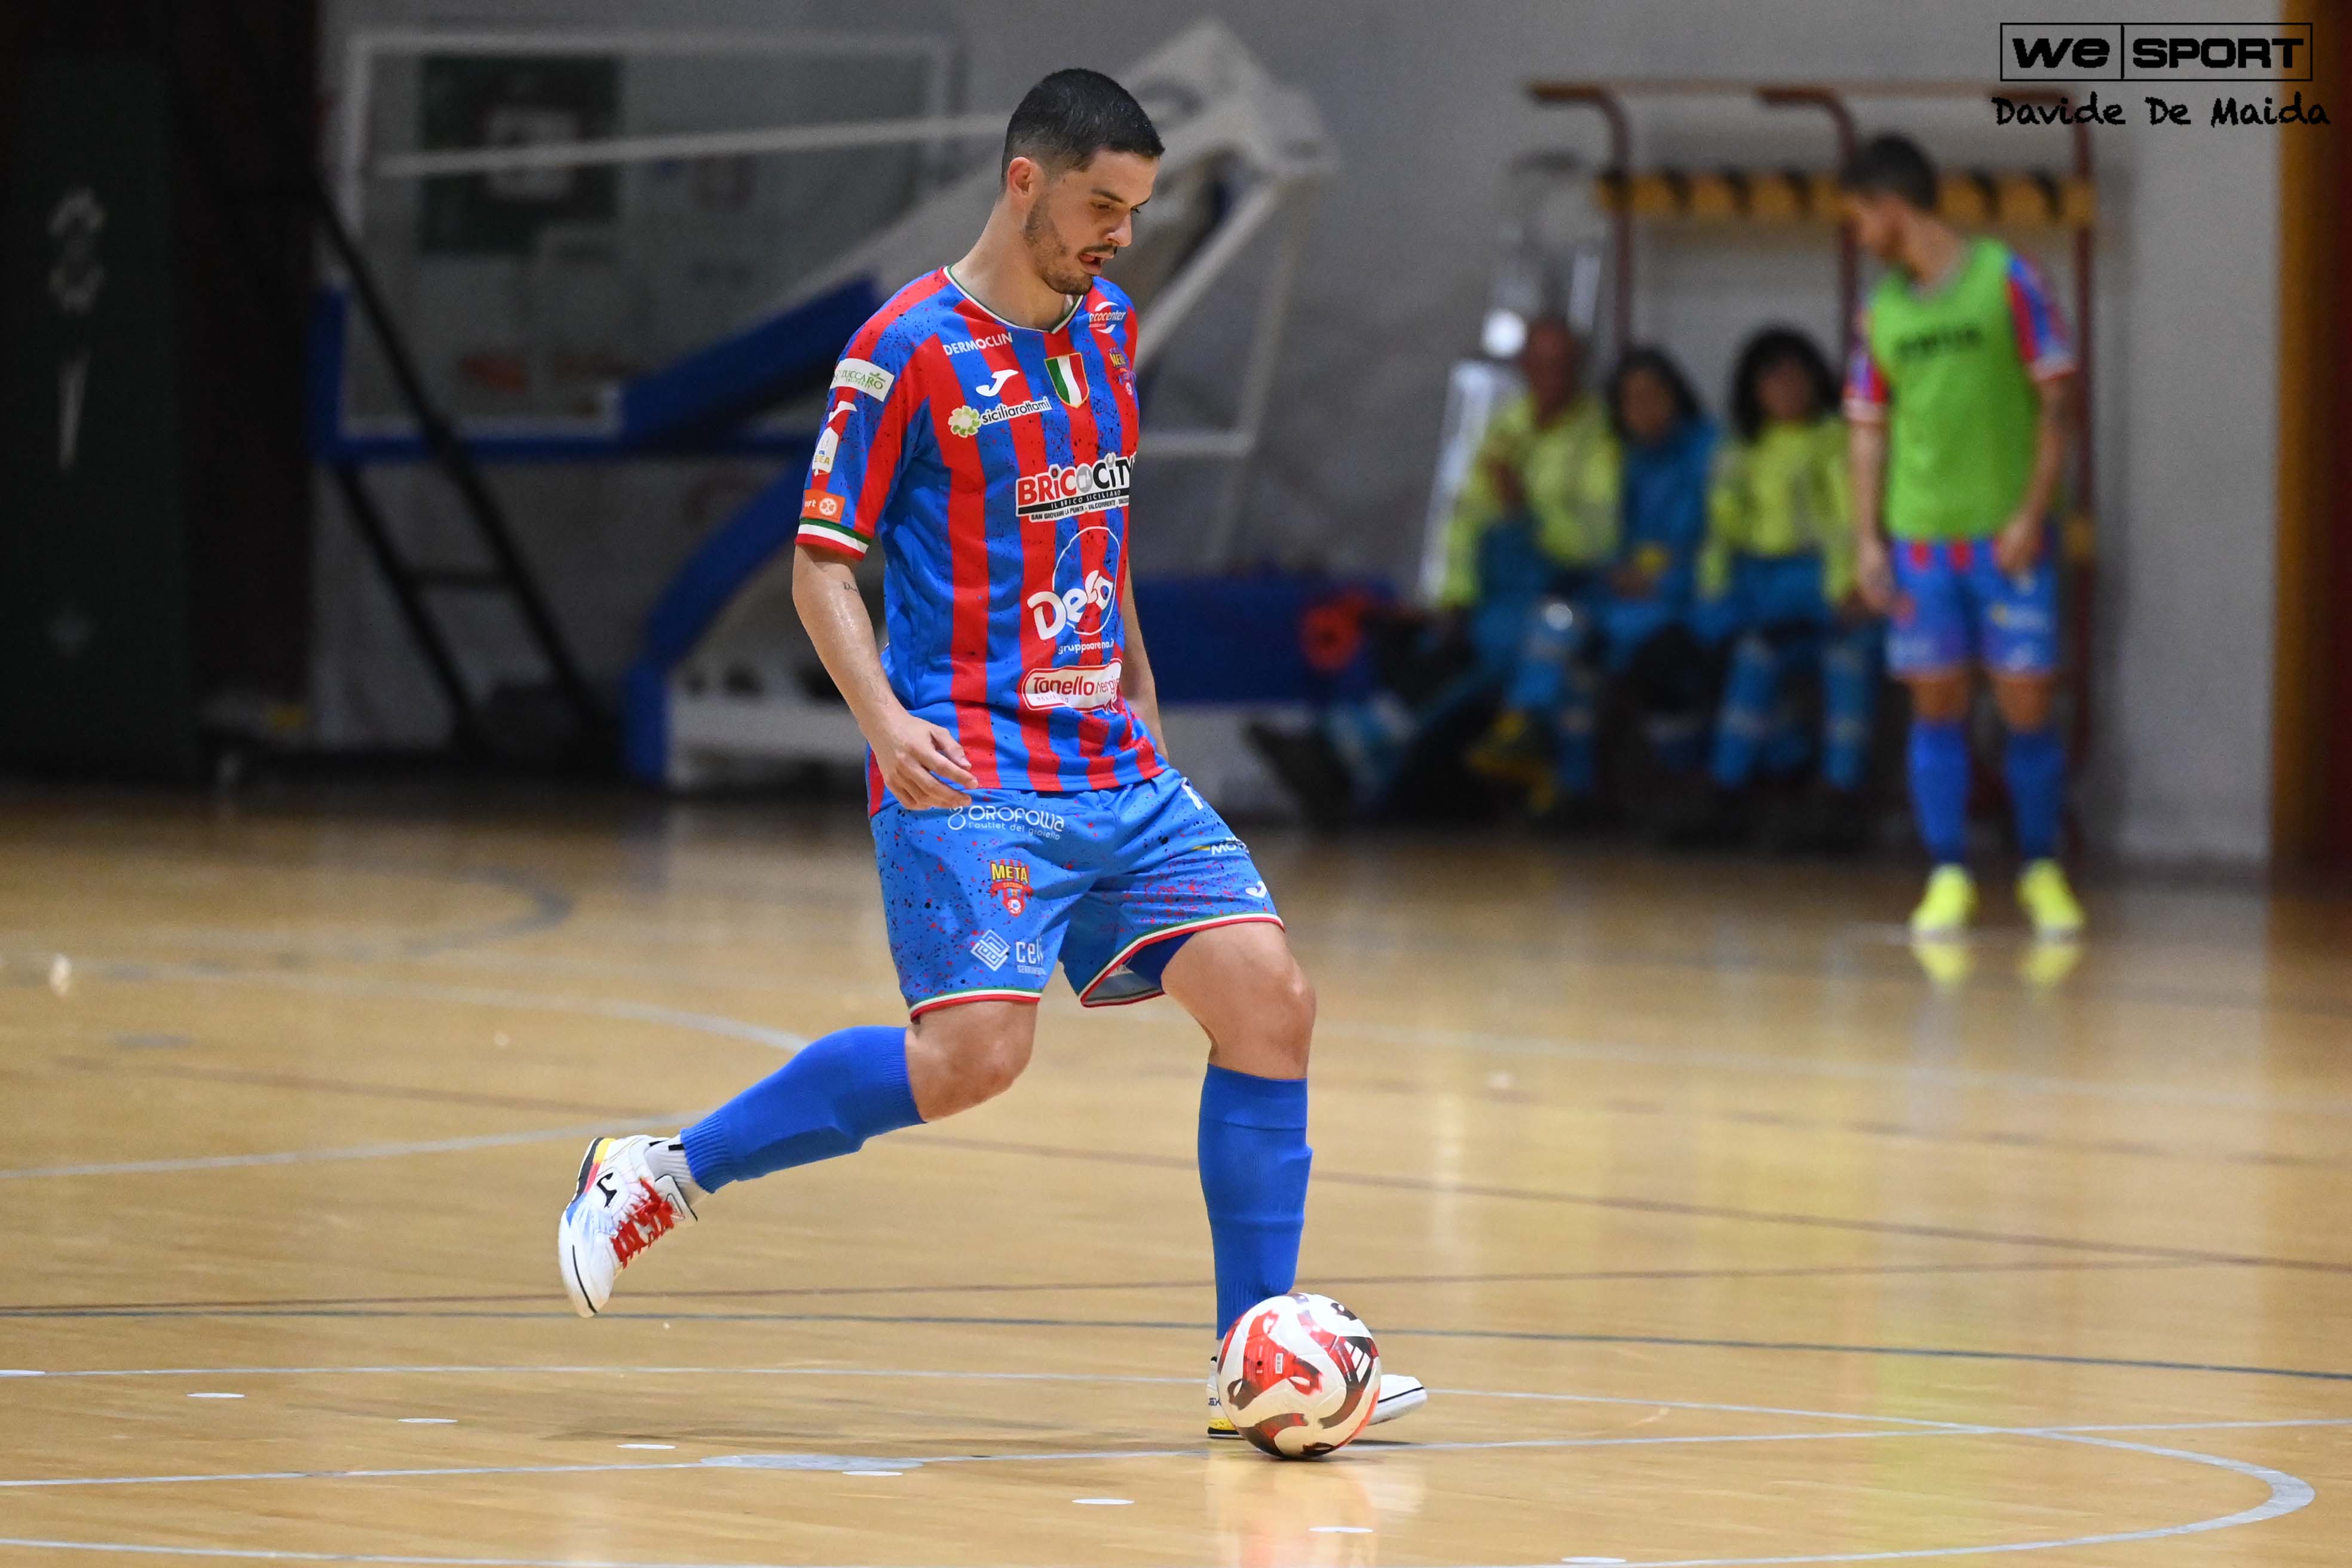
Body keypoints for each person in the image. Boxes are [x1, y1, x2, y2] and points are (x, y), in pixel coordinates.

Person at [554, 69, 1425, 1440]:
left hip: (1113, 760)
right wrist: (881, 720)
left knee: (1271, 1000)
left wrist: (1138, 672)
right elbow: (819, 565)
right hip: (973, 768)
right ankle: (661, 1169)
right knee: (973, 1057)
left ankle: (1250, 1352)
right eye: (1102, 206)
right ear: (1025, 182)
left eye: (1135, 211)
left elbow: (1098, 527)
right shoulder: (902, 348)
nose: (1121, 236)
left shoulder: (1110, 329)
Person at [1842, 133, 2084, 938]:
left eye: (1859, 219)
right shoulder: (1880, 313)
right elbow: (1867, 430)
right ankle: (1947, 871)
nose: (1858, 237)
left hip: (2007, 537)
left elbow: (2057, 404)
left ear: (1891, 207)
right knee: (1936, 701)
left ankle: (2041, 866)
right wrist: (1867, 539)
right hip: (1922, 540)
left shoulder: (2010, 280)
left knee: (2026, 701)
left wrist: (2031, 512)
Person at [1469, 346, 1716, 817]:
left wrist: (1665, 582)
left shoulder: (1708, 454)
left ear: (1677, 395)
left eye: (1653, 395)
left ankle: (1690, 788)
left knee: (1657, 661)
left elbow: (1717, 542)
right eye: (1631, 400)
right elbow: (1607, 541)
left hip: (1690, 600)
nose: (1643, 410)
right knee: (1563, 627)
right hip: (1626, 599)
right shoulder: (1624, 460)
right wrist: (1613, 573)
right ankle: (1557, 768)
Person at [1690, 326, 1877, 846]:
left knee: (1847, 662)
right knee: (1752, 660)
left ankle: (1839, 796)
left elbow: (1848, 525)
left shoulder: (1839, 440)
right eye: (1772, 380)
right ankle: (1728, 791)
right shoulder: (1739, 451)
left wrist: (1851, 590)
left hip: (1837, 595)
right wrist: (1716, 599)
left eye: (1797, 377)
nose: (1786, 390)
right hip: (1765, 595)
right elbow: (1721, 533)